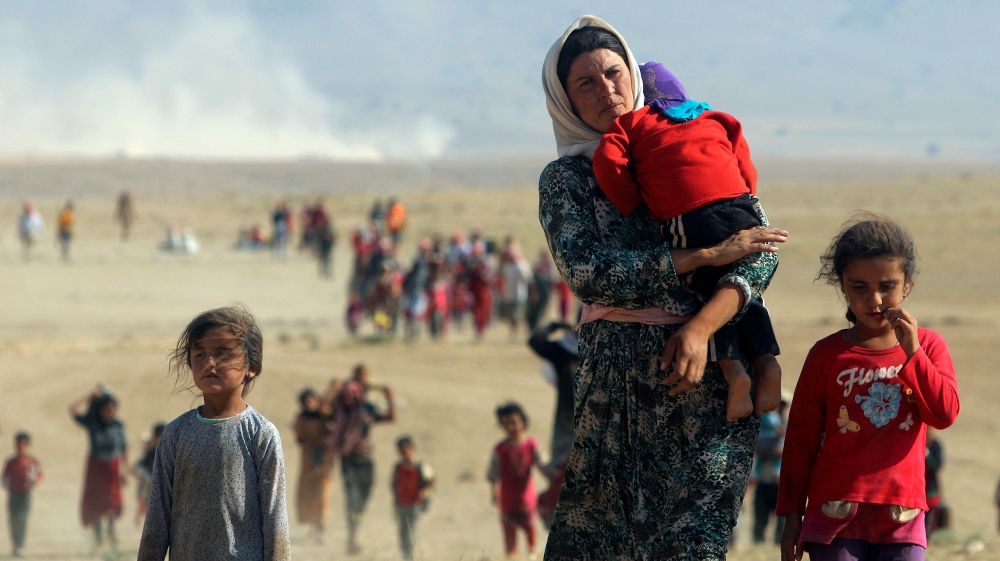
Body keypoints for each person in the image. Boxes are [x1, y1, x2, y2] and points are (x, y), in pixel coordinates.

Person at [539, 16, 787, 560]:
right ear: (566, 100)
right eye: (586, 83)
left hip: (712, 391)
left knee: (693, 548)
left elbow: (758, 247)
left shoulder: (690, 139)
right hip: (617, 400)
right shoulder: (567, 180)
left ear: (632, 73)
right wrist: (700, 257)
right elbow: (589, 273)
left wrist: (700, 328)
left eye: (613, 73)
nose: (607, 90)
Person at [593, 61, 782, 421]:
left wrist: (631, 200)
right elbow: (744, 160)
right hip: (740, 207)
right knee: (744, 288)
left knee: (706, 285)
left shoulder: (632, 123)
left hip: (690, 215)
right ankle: (767, 361)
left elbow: (607, 161)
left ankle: (734, 373)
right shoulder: (714, 116)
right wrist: (744, 198)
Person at [777, 215, 960, 561]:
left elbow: (944, 413)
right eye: (859, 287)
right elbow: (800, 441)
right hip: (833, 515)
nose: (874, 300)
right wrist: (790, 518)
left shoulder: (929, 347)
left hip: (902, 515)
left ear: (906, 285)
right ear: (843, 286)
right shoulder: (826, 355)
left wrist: (913, 352)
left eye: (887, 286)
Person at [137, 306, 290, 561]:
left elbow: (276, 523)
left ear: (250, 366)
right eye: (200, 354)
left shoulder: (261, 435)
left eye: (222, 354)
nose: (209, 362)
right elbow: (156, 519)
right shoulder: (176, 434)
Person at [330, 364, 395, 555]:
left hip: (366, 461)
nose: (349, 398)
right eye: (346, 395)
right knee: (352, 499)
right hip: (348, 462)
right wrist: (333, 388)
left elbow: (390, 417)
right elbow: (322, 408)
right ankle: (352, 537)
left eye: (352, 395)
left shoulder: (366, 411)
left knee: (364, 496)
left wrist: (389, 397)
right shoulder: (340, 412)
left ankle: (354, 531)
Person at [527, 322, 578, 528]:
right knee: (561, 476)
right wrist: (555, 325)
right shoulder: (563, 354)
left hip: (600, 425)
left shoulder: (603, 347)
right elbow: (536, 341)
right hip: (566, 427)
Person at [69, 387, 129, 553]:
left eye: (112, 408)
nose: (109, 411)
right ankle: (98, 539)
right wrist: (88, 396)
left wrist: (126, 470)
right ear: (101, 409)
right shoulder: (92, 423)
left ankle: (110, 532)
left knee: (112, 501)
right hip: (95, 467)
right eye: (106, 408)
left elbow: (124, 449)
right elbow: (72, 410)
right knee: (94, 502)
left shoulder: (118, 426)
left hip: (112, 467)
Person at [488, 402, 547, 558]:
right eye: (506, 424)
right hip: (507, 502)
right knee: (510, 548)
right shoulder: (500, 449)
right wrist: (493, 492)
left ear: (523, 422)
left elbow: (544, 467)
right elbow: (493, 474)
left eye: (513, 422)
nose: (511, 427)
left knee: (532, 545)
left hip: (527, 502)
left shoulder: (531, 445)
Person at [293, 386, 337, 541]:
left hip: (323, 460)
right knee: (308, 493)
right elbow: (299, 437)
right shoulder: (302, 417)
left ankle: (321, 527)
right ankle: (313, 526)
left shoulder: (324, 416)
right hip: (308, 460)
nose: (310, 403)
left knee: (322, 493)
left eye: (312, 400)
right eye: (307, 401)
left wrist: (332, 389)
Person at [751, 391, 790, 545]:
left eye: (782, 405)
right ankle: (758, 546)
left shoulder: (789, 426)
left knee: (781, 522)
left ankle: (777, 548)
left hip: (780, 482)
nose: (779, 408)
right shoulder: (764, 425)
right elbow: (764, 448)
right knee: (760, 519)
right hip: (764, 480)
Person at [391, 436, 435, 560]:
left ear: (412, 449)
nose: (403, 455)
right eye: (401, 452)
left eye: (405, 451)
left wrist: (424, 492)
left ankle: (411, 556)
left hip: (415, 504)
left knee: (412, 532)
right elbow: (394, 484)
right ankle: (405, 555)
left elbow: (432, 480)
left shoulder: (420, 466)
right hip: (401, 504)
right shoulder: (398, 467)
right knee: (402, 533)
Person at [3, 432, 42, 558]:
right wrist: (6, 484)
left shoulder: (29, 462)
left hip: (25, 495)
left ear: (28, 445)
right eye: (18, 445)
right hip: (13, 495)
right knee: (13, 519)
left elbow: (36, 476)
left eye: (23, 445)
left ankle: (20, 545)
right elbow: (4, 478)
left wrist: (34, 482)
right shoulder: (11, 462)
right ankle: (15, 544)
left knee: (22, 520)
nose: (20, 447)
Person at [133, 423, 165, 526]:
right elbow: (138, 467)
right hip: (151, 489)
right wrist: (147, 477)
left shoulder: (171, 451)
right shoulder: (152, 452)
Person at [924, 428, 948, 537]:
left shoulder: (935, 446)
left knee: (928, 527)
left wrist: (927, 455)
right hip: (914, 496)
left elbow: (937, 465)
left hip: (930, 495)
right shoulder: (914, 444)